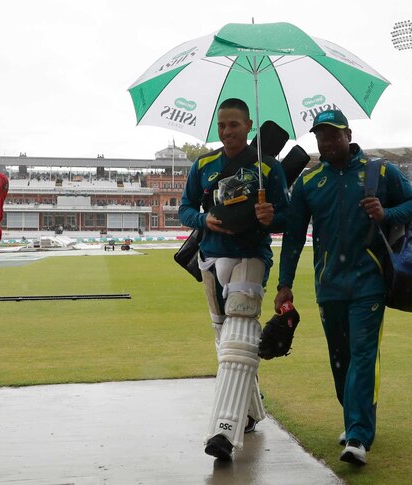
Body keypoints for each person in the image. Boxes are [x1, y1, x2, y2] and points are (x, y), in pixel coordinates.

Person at [274, 110, 412, 466]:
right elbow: (294, 236)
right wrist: (284, 285)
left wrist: (385, 214)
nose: (327, 142)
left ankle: (357, 435)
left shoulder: (380, 171)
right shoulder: (310, 183)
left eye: (333, 135)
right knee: (340, 361)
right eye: (320, 137)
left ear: (348, 135)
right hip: (329, 286)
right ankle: (355, 418)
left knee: (362, 356)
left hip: (368, 284)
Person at [179, 98, 289, 461]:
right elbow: (184, 208)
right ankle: (251, 412)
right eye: (222, 126)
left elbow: (287, 217)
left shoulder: (269, 169)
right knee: (226, 339)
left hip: (250, 257)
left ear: (249, 125)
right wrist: (202, 221)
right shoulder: (204, 164)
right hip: (211, 258)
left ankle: (223, 431)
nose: (227, 132)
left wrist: (270, 214)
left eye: (234, 125)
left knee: (239, 335)